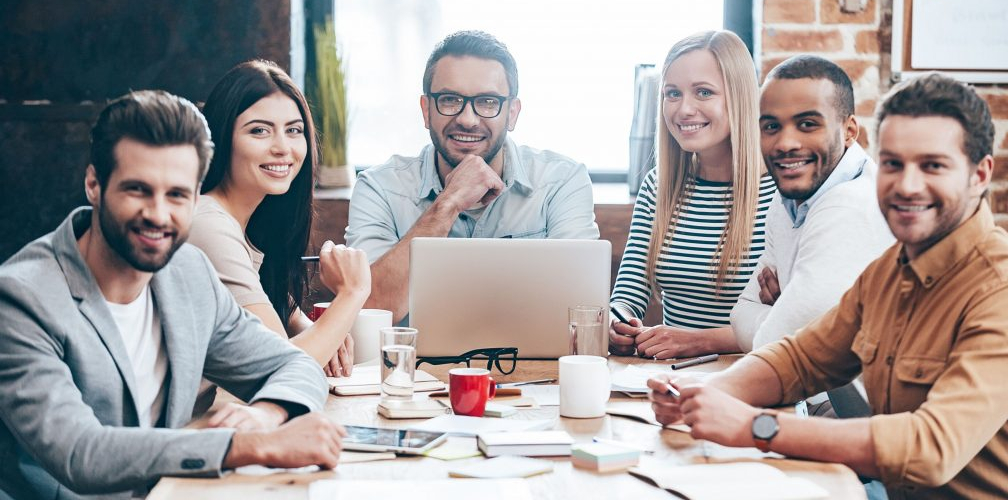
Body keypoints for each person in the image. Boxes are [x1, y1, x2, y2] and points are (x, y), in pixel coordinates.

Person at [648, 73, 1008, 500]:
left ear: (980, 175)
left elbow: (929, 447)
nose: (907, 185)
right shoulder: (889, 271)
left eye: (933, 166)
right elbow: (800, 359)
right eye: (894, 164)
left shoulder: (1007, 289)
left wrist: (756, 426)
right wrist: (704, 394)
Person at [0, 90, 347, 499]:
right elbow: (80, 452)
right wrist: (249, 445)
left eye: (177, 194)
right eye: (138, 190)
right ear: (94, 184)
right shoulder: (21, 297)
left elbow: (295, 366)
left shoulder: (187, 272)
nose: (159, 215)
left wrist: (266, 415)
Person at [345, 30, 599, 323]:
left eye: (488, 102)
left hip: (537, 367)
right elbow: (370, 308)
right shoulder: (378, 188)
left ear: (512, 113)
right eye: (450, 99)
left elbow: (584, 312)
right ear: (426, 110)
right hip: (412, 367)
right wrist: (448, 203)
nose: (467, 119)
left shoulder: (562, 181)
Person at [190, 60, 370, 379]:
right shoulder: (208, 223)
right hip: (197, 423)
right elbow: (282, 367)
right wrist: (352, 293)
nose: (282, 148)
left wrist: (324, 335)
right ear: (221, 139)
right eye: (259, 130)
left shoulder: (250, 229)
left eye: (293, 131)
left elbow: (291, 327)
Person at [609, 30, 775, 359]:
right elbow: (628, 294)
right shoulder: (658, 187)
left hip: (753, 379)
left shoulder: (781, 194)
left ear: (738, 98)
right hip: (670, 380)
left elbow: (791, 322)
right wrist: (618, 324)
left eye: (703, 92)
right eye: (672, 93)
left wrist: (698, 341)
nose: (684, 109)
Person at [731, 55, 893, 355]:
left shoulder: (849, 206)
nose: (785, 143)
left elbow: (772, 350)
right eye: (771, 127)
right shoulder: (788, 199)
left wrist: (783, 317)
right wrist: (784, 317)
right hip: (816, 397)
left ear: (849, 131)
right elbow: (740, 315)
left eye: (807, 124)